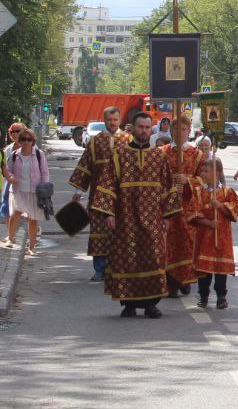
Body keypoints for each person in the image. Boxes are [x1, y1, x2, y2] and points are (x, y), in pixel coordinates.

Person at [91, 110, 180, 318]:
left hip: (152, 218)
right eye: (140, 127)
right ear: (134, 127)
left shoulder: (159, 156)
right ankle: (129, 304)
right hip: (126, 218)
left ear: (151, 129)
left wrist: (167, 216)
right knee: (127, 259)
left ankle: (151, 304)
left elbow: (168, 187)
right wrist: (108, 213)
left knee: (153, 258)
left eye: (148, 127)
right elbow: (108, 184)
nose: (144, 131)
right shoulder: (120, 154)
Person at [68, 105, 129, 279]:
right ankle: (100, 270)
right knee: (99, 231)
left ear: (120, 120)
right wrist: (79, 192)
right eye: (109, 120)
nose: (112, 123)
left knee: (121, 232)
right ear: (104, 120)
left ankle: (118, 267)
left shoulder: (128, 139)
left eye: (115, 120)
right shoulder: (96, 141)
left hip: (122, 196)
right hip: (98, 195)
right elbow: (85, 167)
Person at [161, 116, 204, 298]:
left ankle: (185, 279)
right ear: (171, 130)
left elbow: (204, 179)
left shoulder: (196, 154)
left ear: (189, 131)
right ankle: (169, 280)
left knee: (186, 241)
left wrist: (188, 181)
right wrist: (170, 184)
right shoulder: (161, 152)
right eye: (177, 129)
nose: (180, 133)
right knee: (167, 242)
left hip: (187, 206)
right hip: (166, 205)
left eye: (184, 129)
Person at [189, 156, 238, 309]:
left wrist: (221, 206)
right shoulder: (198, 192)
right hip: (205, 236)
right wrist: (209, 223)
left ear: (217, 173)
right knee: (204, 269)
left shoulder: (227, 191)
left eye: (206, 171)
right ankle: (203, 295)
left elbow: (234, 208)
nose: (202, 174)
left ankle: (221, 296)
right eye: (202, 171)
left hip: (222, 237)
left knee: (220, 269)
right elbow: (193, 214)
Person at [3, 128, 48, 254]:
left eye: (29, 140)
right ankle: (10, 239)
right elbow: (8, 170)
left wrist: (44, 188)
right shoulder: (14, 155)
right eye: (23, 139)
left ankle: (31, 248)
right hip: (18, 190)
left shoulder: (39, 154)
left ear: (33, 141)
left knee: (33, 219)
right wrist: (11, 176)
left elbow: (44, 172)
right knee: (15, 214)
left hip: (35, 191)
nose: (26, 142)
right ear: (20, 141)